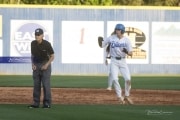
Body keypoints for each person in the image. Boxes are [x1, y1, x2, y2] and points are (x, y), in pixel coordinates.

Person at [101, 23, 133, 104]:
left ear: (122, 31)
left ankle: (127, 95)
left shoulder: (126, 40)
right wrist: (101, 42)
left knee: (128, 79)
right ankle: (119, 97)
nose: (116, 31)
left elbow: (131, 53)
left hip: (123, 61)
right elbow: (102, 45)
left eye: (118, 30)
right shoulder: (111, 38)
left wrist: (126, 52)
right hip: (114, 61)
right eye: (116, 29)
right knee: (115, 79)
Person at [28, 28, 55, 108]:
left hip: (45, 64)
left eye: (39, 35)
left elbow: (52, 56)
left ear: (42, 35)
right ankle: (36, 103)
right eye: (36, 35)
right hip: (36, 65)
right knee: (36, 85)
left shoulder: (47, 44)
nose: (37, 36)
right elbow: (32, 55)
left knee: (46, 85)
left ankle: (47, 103)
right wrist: (32, 64)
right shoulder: (33, 43)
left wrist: (46, 65)